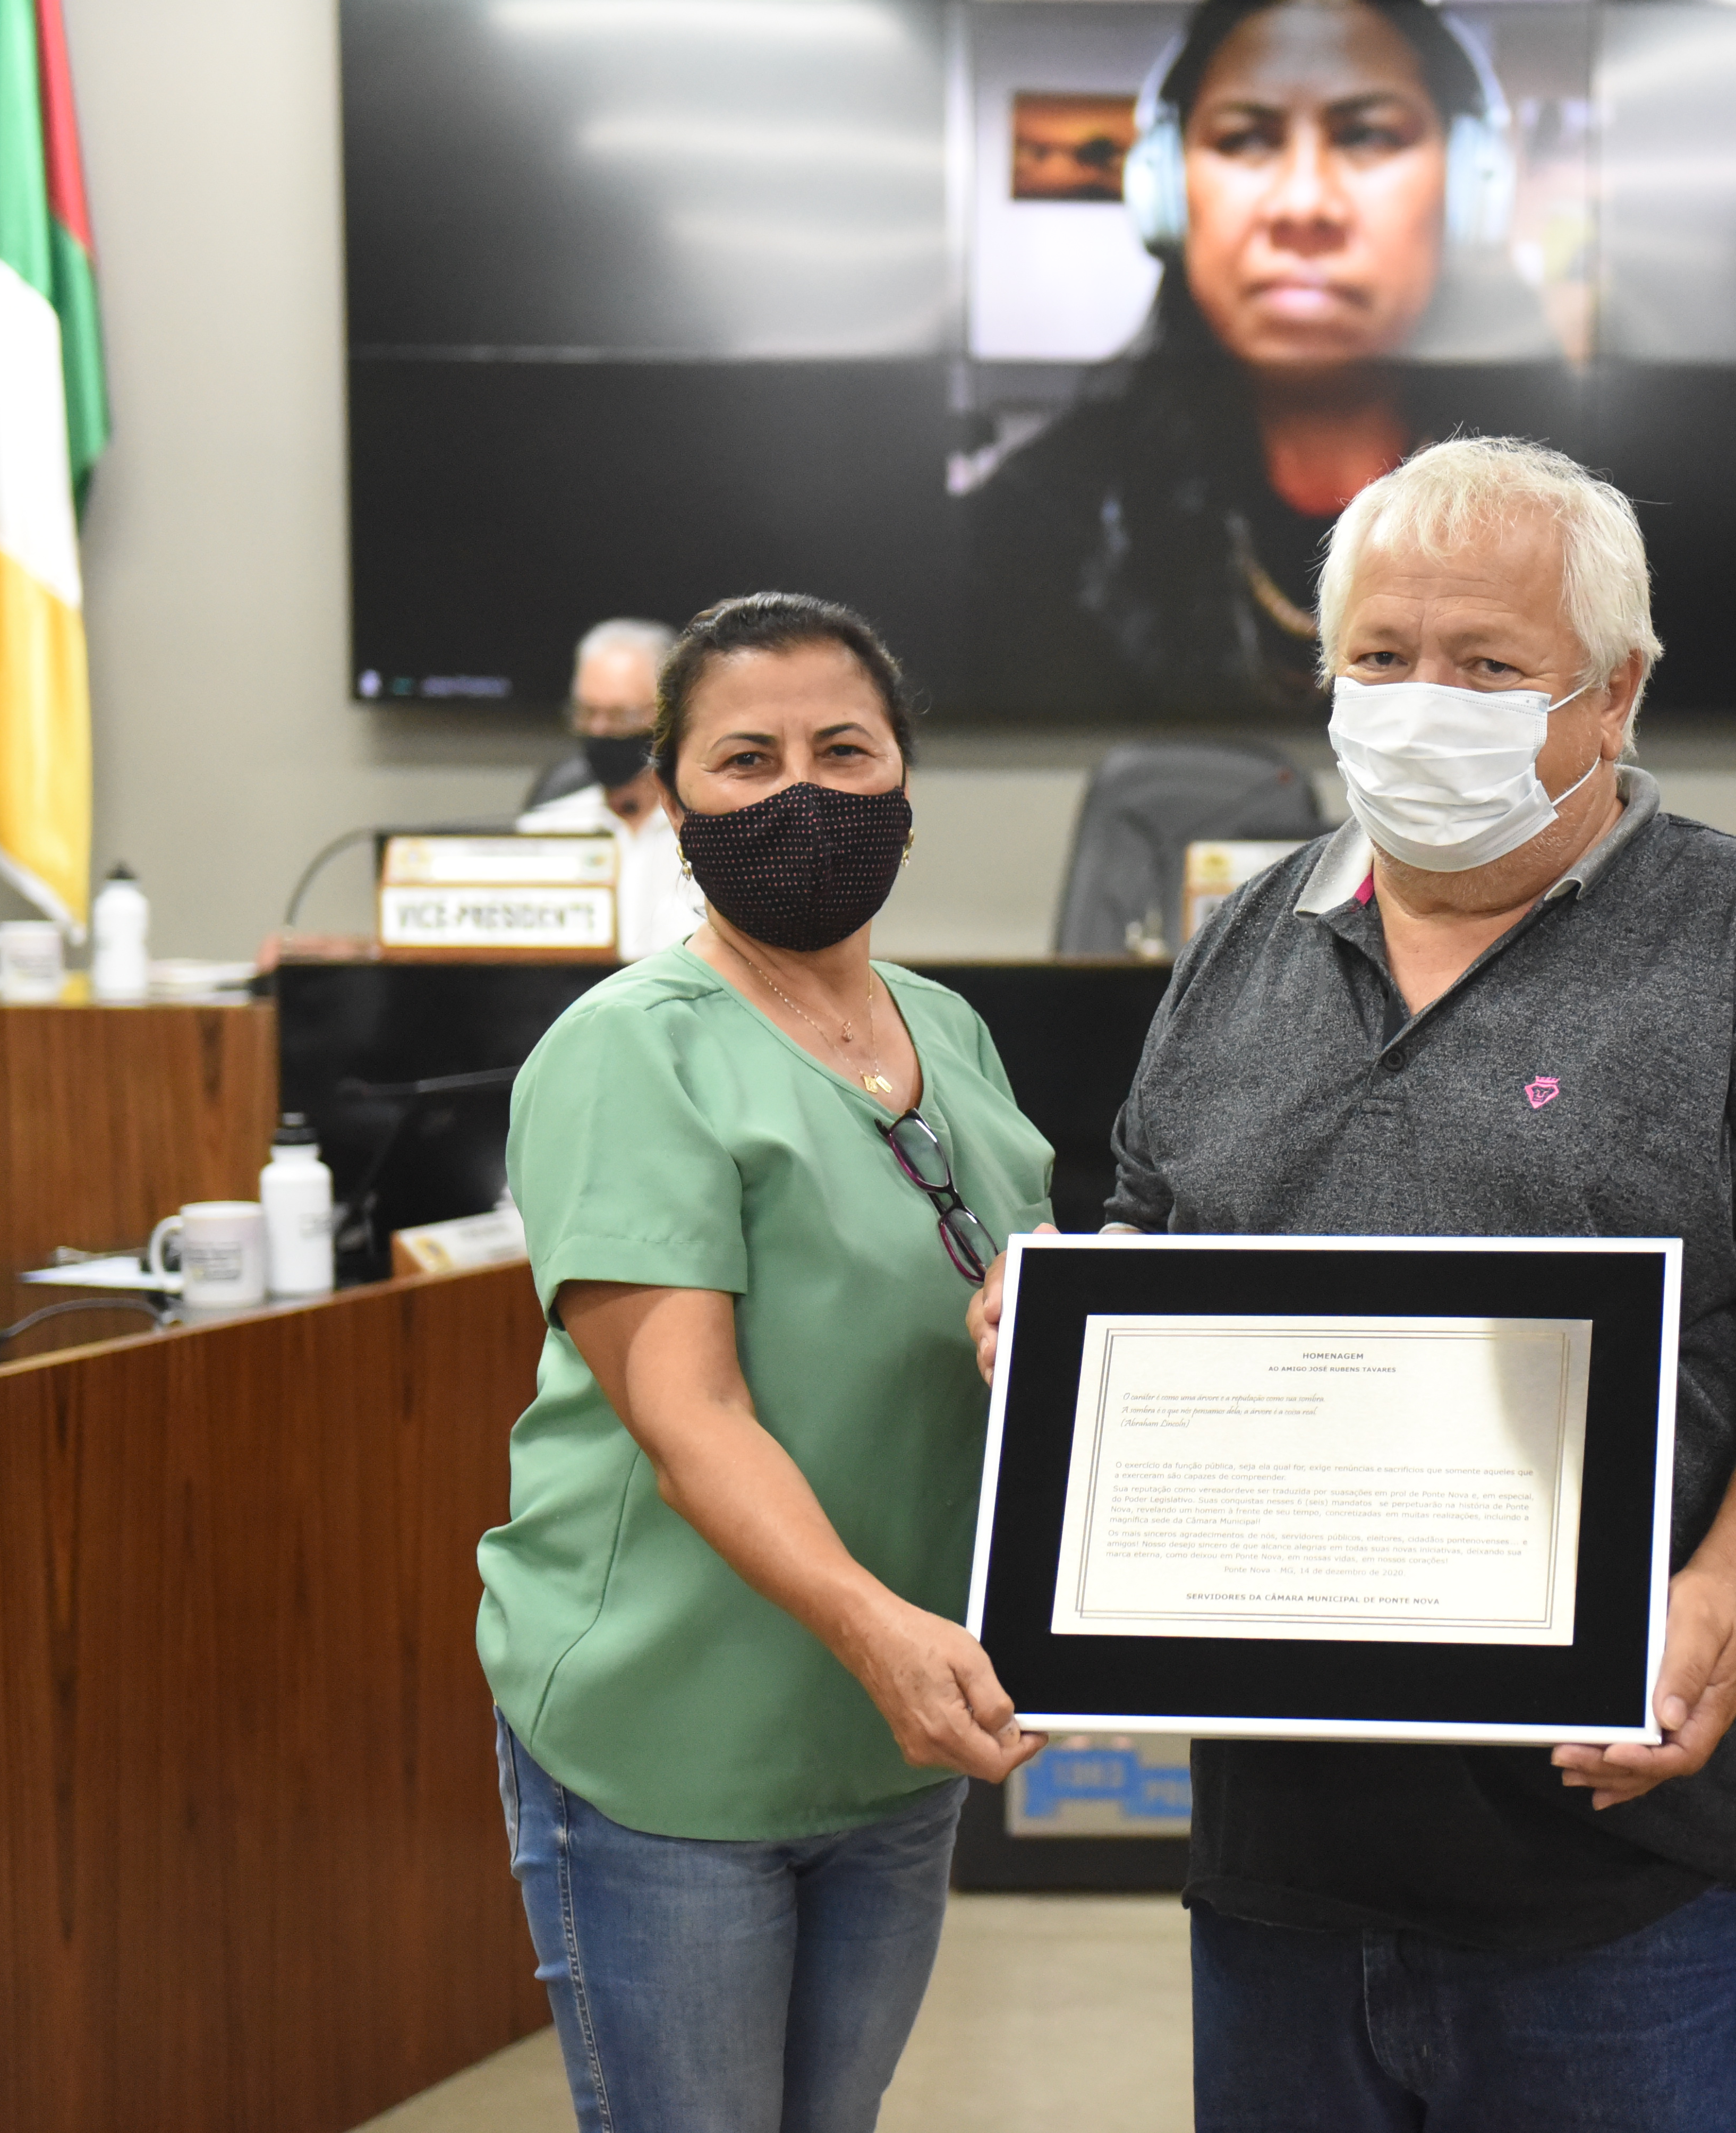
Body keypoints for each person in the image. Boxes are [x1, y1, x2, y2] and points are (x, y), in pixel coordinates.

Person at [973, 438, 1736, 2128]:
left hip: (1634, 1855)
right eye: (1377, 659)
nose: (1416, 702)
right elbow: (1156, 1217)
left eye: (1486, 665)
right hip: (1285, 1848)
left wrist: (1722, 1588)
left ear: (1615, 693)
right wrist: (1082, 1324)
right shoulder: (1246, 937)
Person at [481, 594, 1056, 2131]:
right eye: (745, 758)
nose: (803, 791)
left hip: (890, 1739)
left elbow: (1022, 1317)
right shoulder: (629, 1048)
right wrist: (880, 1634)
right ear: (676, 806)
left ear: (907, 794)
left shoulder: (952, 1034)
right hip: (674, 1737)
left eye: (844, 748)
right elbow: (691, 1416)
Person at [966, 0, 1560, 722]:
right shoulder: (1031, 526)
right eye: (1246, 139)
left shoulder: (1587, 522)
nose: (1304, 206)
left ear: (1471, 190)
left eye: (1368, 135)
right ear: (1166, 191)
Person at [520, 616, 708, 960]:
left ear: (669, 715)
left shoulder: (711, 830)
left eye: (622, 716)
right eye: (588, 713)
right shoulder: (545, 828)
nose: (601, 730)